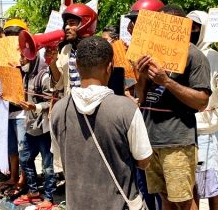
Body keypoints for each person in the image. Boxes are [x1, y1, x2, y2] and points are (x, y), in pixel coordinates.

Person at [51, 36, 153, 209]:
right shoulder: (126, 109)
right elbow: (143, 161)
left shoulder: (58, 110)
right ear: (109, 68)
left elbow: (60, 161)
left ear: (76, 66)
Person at [135, 5, 211, 210]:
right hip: (152, 140)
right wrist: (142, 78)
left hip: (177, 141)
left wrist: (166, 81)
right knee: (164, 198)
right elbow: (141, 99)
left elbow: (202, 101)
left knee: (184, 201)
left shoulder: (195, 56)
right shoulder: (151, 54)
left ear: (180, 26)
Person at [187, 10, 218, 210]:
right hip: (181, 127)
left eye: (196, 27)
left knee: (212, 182)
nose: (190, 31)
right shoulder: (180, 53)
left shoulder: (215, 56)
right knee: (190, 185)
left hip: (207, 128)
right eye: (188, 26)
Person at [124, 0, 165, 210]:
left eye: (139, 22)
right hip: (141, 131)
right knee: (145, 187)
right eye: (133, 23)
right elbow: (138, 94)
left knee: (165, 195)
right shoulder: (131, 53)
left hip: (166, 138)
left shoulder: (172, 56)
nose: (133, 28)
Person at [14, 51, 56, 208]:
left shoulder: (44, 76)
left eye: (24, 57)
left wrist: (35, 106)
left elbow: (51, 101)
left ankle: (49, 198)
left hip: (43, 129)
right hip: (30, 126)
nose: (21, 60)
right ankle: (33, 191)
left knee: (47, 166)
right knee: (24, 159)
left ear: (33, 58)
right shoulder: (27, 76)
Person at [0, 18, 30, 198]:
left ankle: (24, 180)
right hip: (7, 110)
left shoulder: (30, 55)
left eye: (15, 34)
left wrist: (24, 62)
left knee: (23, 148)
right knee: (12, 148)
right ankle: (13, 176)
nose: (12, 38)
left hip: (23, 110)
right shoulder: (3, 56)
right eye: (9, 34)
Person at [49, 3, 97, 96]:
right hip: (71, 105)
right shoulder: (65, 50)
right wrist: (52, 62)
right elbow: (59, 86)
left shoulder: (98, 48)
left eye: (72, 24)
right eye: (66, 24)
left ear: (85, 24)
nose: (67, 27)